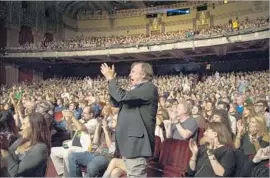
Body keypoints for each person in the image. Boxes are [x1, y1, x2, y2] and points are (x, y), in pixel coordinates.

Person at [100, 62, 158, 177]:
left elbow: (121, 96)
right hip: (129, 146)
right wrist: (109, 81)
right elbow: (116, 101)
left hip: (136, 147)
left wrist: (112, 79)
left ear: (143, 74)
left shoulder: (149, 87)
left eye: (133, 72)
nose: (129, 74)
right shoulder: (136, 89)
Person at [0, 112, 51, 177]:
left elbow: (15, 172)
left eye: (24, 124)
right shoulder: (21, 140)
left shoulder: (40, 148)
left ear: (34, 127)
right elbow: (7, 157)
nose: (21, 127)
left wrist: (4, 149)